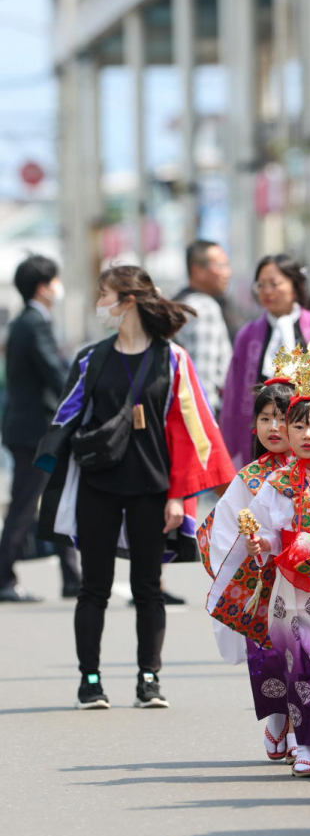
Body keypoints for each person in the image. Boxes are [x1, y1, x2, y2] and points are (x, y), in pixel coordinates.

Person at [36, 265, 235, 710]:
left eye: (104, 295)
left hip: (153, 489)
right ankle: (90, 681)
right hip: (98, 486)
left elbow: (191, 431)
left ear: (127, 301)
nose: (99, 304)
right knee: (94, 588)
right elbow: (66, 416)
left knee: (148, 588)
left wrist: (179, 496)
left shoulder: (173, 359)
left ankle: (149, 679)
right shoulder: (91, 358)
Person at [209, 330, 310, 778]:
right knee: (298, 663)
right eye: (298, 426)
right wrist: (261, 544)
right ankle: (303, 744)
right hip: (288, 588)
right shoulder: (273, 481)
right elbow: (263, 529)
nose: (305, 434)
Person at [198, 376, 298, 762]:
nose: (274, 427)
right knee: (269, 655)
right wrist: (251, 559)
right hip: (263, 579)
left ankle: (303, 729)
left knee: (308, 653)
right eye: (265, 418)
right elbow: (223, 531)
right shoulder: (249, 477)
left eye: (283, 418)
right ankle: (278, 716)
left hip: (306, 575)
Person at [221, 255, 310, 469]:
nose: (267, 291)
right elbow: (234, 394)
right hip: (264, 439)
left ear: (295, 285)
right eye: (261, 285)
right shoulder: (248, 335)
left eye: (274, 284)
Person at [0, 256, 80, 602]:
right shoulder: (35, 324)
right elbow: (55, 372)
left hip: (33, 430)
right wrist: (84, 397)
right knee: (26, 504)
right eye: (54, 282)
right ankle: (3, 577)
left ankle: (71, 577)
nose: (57, 288)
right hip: (35, 434)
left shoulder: (27, 322)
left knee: (56, 500)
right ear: (42, 287)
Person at [173, 240, 233, 416]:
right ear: (197, 271)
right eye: (220, 266)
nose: (227, 272)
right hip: (200, 416)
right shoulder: (205, 308)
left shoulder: (179, 303)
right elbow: (203, 379)